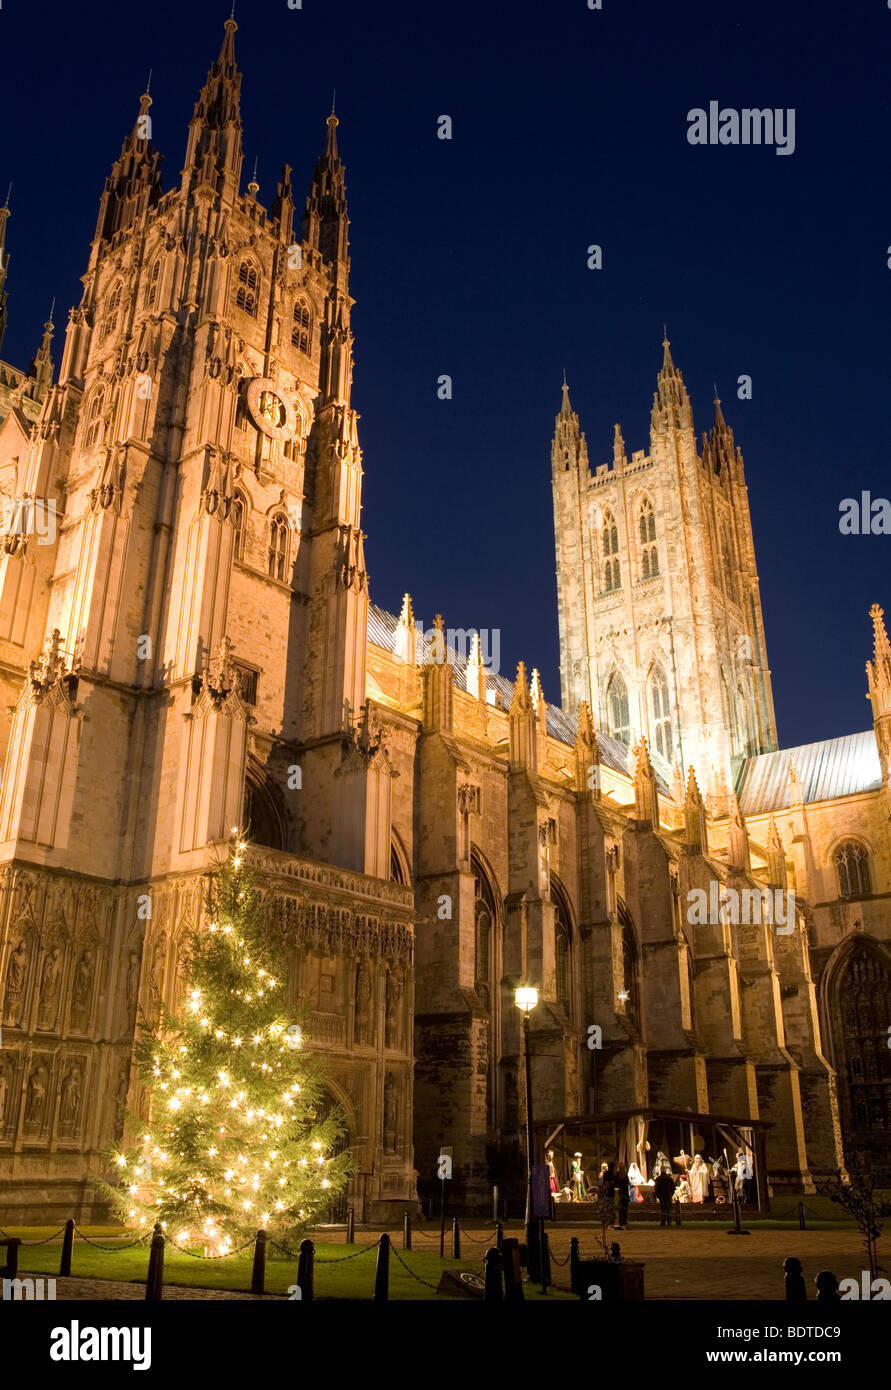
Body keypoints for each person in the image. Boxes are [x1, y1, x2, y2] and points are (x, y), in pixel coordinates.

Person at [612, 1160, 629, 1229]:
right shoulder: (624, 1174)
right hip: (622, 1194)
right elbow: (627, 1183)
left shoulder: (618, 1174)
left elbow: (615, 1183)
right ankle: (623, 1220)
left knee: (621, 1209)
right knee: (623, 1209)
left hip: (620, 1194)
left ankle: (621, 1220)